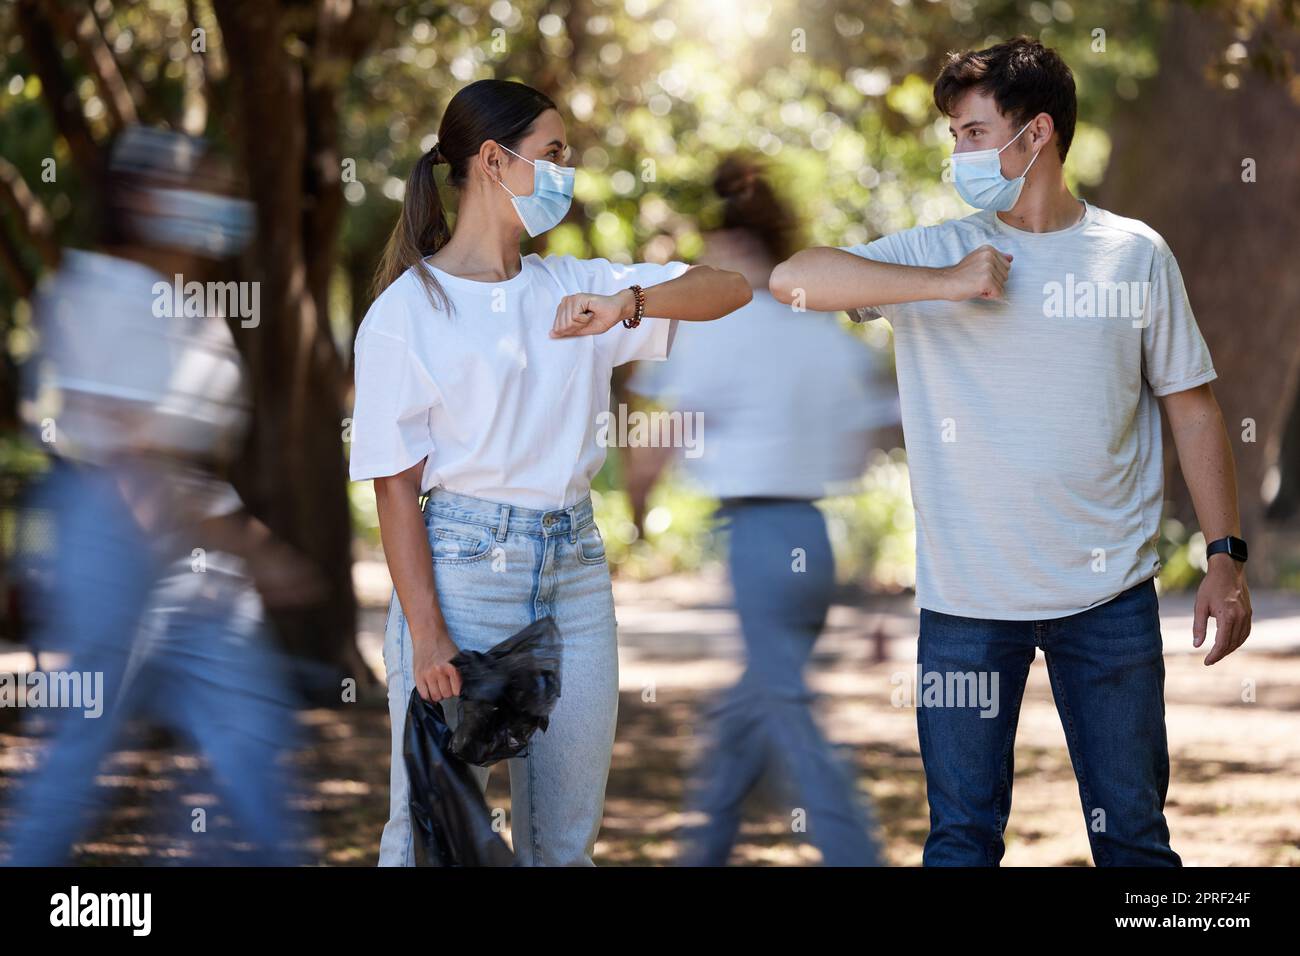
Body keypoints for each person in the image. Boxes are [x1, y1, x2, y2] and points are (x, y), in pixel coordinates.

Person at [770, 37, 1252, 866]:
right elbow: (792, 279)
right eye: (954, 135)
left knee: (1135, 841)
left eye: (973, 133)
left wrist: (1225, 558)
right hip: (965, 602)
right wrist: (945, 283)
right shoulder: (932, 253)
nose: (958, 152)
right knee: (960, 841)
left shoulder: (1133, 254)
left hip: (1110, 600)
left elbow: (1195, 410)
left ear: (1036, 136)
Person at [349, 79, 751, 867]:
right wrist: (426, 634)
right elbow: (394, 488)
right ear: (493, 161)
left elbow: (729, 289)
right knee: (432, 832)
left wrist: (626, 303)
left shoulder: (575, 286)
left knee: (565, 843)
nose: (568, 172)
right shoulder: (407, 311)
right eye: (554, 154)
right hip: (462, 571)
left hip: (576, 569)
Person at [2, 126, 316, 865]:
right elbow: (134, 459)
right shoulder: (94, 291)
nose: (221, 202)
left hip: (191, 539)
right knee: (82, 744)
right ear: (144, 198)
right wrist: (254, 549)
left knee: (251, 731)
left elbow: (186, 459)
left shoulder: (194, 307)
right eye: (202, 187)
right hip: (107, 527)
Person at [627, 155, 898, 866]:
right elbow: (867, 438)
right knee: (745, 716)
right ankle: (704, 851)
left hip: (757, 537)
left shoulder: (720, 325)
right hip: (813, 533)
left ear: (728, 242)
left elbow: (659, 436)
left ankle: (855, 855)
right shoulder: (821, 329)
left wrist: (634, 508)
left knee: (788, 711)